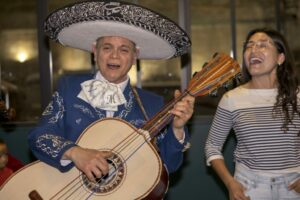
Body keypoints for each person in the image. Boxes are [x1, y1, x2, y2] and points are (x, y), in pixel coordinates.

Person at [28, 0, 194, 194]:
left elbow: (169, 165)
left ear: (134, 56)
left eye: (124, 49)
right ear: (95, 51)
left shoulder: (152, 104)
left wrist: (178, 128)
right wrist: (75, 153)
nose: (114, 56)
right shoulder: (70, 88)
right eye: (107, 47)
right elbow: (38, 137)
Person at [205, 28, 300, 200]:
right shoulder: (231, 99)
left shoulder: (297, 96)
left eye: (263, 45)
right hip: (249, 188)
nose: (253, 50)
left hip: (294, 188)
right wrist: (230, 183)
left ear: (280, 58)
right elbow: (212, 146)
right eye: (249, 46)